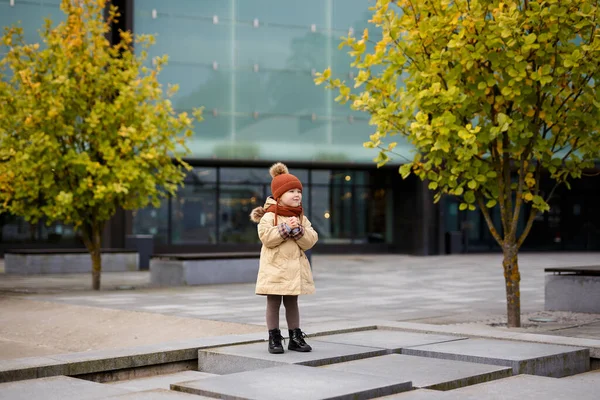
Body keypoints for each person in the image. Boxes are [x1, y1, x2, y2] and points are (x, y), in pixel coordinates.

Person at [249, 162, 318, 354]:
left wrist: (299, 230)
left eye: (299, 191)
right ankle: (274, 337)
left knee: (292, 302)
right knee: (273, 302)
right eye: (291, 191)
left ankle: (295, 337)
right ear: (279, 196)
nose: (297, 195)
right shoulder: (269, 217)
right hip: (274, 269)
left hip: (293, 270)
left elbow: (311, 240)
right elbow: (267, 239)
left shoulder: (301, 217)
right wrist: (286, 228)